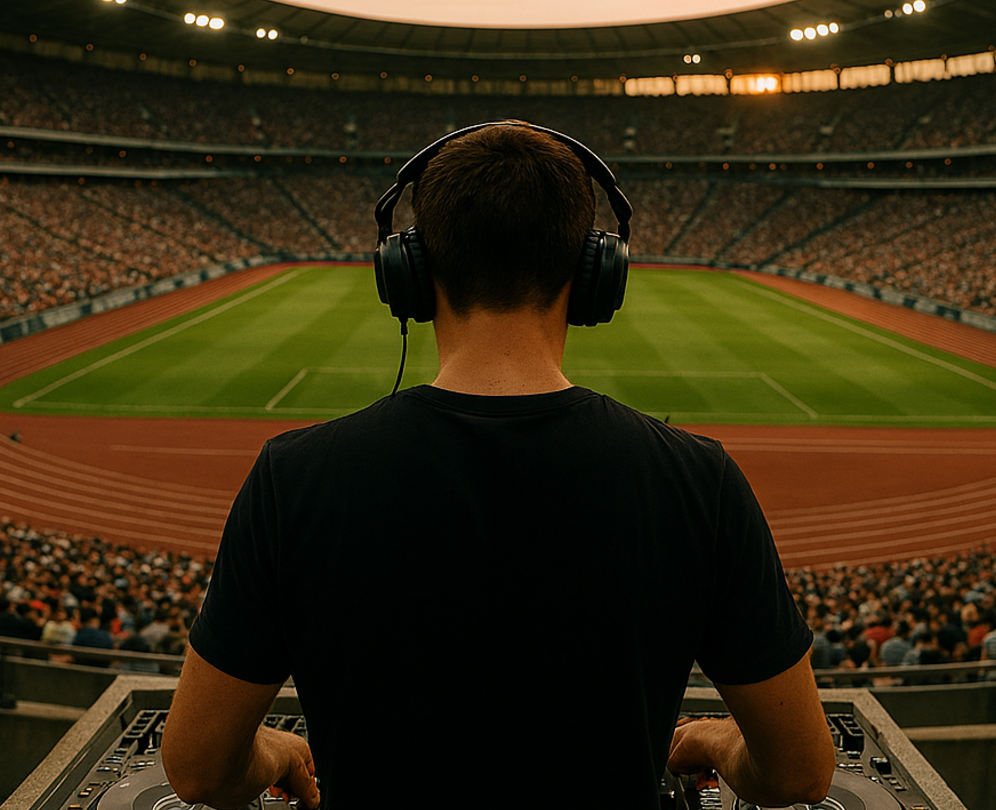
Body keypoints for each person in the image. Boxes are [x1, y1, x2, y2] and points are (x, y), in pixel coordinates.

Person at [160, 122, 835, 810]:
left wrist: (277, 747)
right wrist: (714, 741)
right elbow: (799, 774)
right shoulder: (701, 481)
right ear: (598, 270)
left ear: (411, 271)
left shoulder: (290, 478)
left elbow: (200, 770)